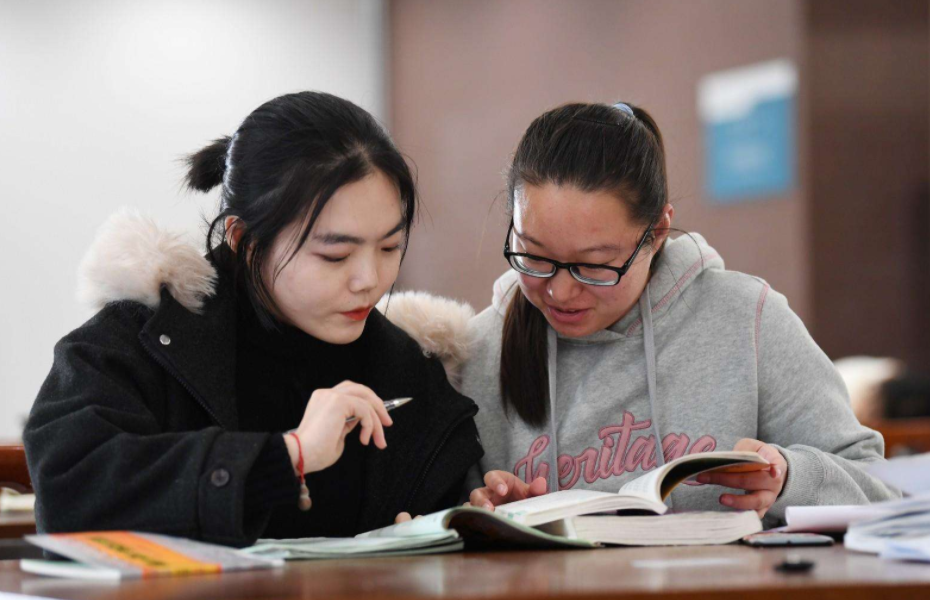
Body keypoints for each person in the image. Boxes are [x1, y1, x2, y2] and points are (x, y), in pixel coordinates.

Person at [24, 91, 482, 546]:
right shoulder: (139, 342)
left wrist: (479, 512)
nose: (369, 279)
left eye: (389, 247)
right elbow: (70, 494)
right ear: (243, 239)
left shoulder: (406, 365)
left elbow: (447, 500)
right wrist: (290, 456)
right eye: (335, 255)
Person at [461, 101, 899, 527]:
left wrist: (788, 477)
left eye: (594, 264)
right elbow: (435, 529)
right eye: (533, 257)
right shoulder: (478, 351)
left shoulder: (747, 319)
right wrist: (489, 515)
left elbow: (879, 490)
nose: (560, 290)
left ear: (658, 232)